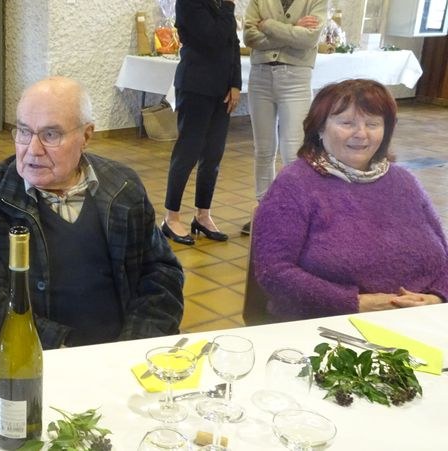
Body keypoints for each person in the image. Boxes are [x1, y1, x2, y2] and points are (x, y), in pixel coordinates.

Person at [0, 76, 184, 349]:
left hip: (122, 353)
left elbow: (161, 274)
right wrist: (60, 348)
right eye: (24, 131)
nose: (33, 150)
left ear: (86, 136)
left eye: (50, 135)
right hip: (34, 356)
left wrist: (131, 346)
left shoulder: (122, 187)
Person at [252, 79, 448, 320]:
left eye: (373, 124)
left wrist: (437, 298)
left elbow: (444, 257)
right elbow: (274, 271)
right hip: (326, 323)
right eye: (347, 123)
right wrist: (354, 303)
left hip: (421, 321)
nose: (361, 134)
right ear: (319, 128)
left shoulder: (404, 181)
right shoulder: (294, 184)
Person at [241, 0, 326, 236]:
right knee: (263, 149)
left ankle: (295, 212)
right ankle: (264, 210)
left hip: (296, 77)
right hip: (260, 75)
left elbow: (309, 38)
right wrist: (293, 31)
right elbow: (249, 37)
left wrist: (268, 25)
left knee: (294, 151)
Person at [161, 0, 242, 246]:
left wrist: (236, 83)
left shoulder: (221, 4)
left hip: (222, 89)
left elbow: (232, 43)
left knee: (213, 154)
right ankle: (171, 217)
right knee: (188, 152)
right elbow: (212, 38)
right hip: (195, 85)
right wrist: (228, 6)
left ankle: (203, 215)